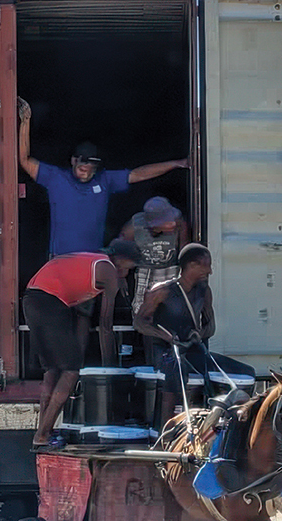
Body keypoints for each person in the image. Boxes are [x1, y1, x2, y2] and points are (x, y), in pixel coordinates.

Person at [133, 244, 254, 483]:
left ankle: (235, 434)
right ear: (191, 265)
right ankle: (166, 436)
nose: (209, 271)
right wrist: (165, 336)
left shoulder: (203, 291)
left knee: (245, 373)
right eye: (205, 265)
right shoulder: (163, 291)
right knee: (179, 371)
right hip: (167, 352)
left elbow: (211, 325)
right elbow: (140, 322)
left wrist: (200, 333)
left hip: (193, 349)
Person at [18, 97, 189, 257]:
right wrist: (25, 121)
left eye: (90, 168)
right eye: (82, 166)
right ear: (73, 161)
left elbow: (139, 174)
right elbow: (25, 160)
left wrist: (176, 163)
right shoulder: (55, 177)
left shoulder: (105, 180)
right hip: (60, 259)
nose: (85, 171)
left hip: (92, 260)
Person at [22, 238, 141, 450]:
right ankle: (42, 435)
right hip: (50, 301)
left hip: (32, 298)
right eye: (129, 268)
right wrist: (111, 369)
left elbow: (81, 315)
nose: (127, 275)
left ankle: (44, 431)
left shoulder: (94, 262)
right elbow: (105, 325)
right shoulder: (109, 272)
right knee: (71, 372)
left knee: (52, 370)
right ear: (121, 261)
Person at [118, 196, 189, 363]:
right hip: (145, 271)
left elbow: (185, 249)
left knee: (172, 316)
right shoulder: (134, 226)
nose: (171, 223)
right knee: (144, 318)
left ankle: (174, 360)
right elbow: (121, 251)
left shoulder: (179, 223)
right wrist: (121, 276)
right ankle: (152, 362)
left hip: (171, 270)